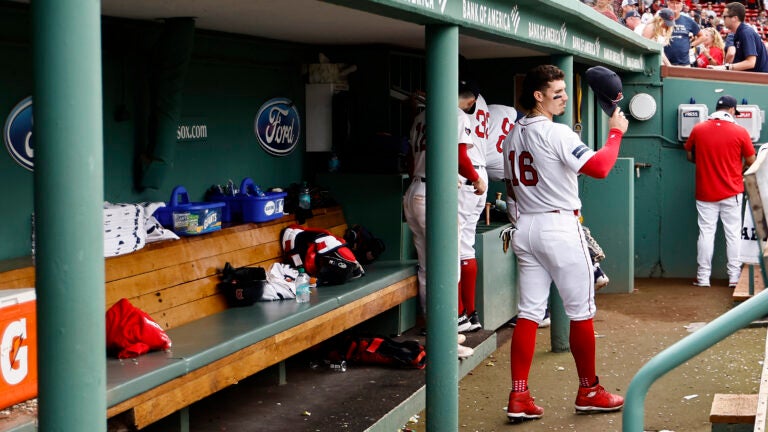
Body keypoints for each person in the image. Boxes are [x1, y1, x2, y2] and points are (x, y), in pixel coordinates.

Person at [502, 64, 628, 421]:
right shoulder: (556, 133)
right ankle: (589, 390)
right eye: (556, 92)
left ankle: (519, 396)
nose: (563, 98)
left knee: (528, 313)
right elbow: (601, 168)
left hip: (525, 226)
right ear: (537, 95)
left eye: (564, 91)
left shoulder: (512, 134)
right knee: (581, 312)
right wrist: (615, 134)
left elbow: (510, 189)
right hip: (558, 226)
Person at [403, 80, 486, 359]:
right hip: (434, 194)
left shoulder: (421, 116)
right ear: (468, 99)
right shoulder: (456, 114)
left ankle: (435, 327)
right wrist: (476, 179)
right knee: (449, 267)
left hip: (414, 190)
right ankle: (446, 336)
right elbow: (461, 157)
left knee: (428, 266)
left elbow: (409, 159)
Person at [684, 95, 756, 288]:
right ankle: (734, 278)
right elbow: (752, 162)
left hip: (705, 191)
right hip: (732, 192)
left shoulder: (698, 129)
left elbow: (690, 155)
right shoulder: (740, 132)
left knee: (706, 234)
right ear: (732, 110)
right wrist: (738, 170)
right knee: (733, 234)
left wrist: (705, 164)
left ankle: (703, 278)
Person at [457, 86, 490, 333]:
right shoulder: (484, 105)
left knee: (456, 248)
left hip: (468, 175)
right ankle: (470, 313)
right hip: (480, 174)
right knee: (465, 245)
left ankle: (461, 315)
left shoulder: (458, 111)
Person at [708, 2, 768, 72]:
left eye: (724, 17)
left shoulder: (745, 32)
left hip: (758, 80)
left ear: (734, 18)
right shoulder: (739, 33)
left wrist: (725, 67)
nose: (722, 19)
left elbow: (750, 63)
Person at [663, 0, 706, 66]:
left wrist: (691, 45)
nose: (675, 5)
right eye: (672, 3)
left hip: (684, 63)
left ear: (682, 5)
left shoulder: (688, 20)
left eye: (677, 3)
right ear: (668, 3)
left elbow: (702, 36)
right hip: (664, 63)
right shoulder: (660, 20)